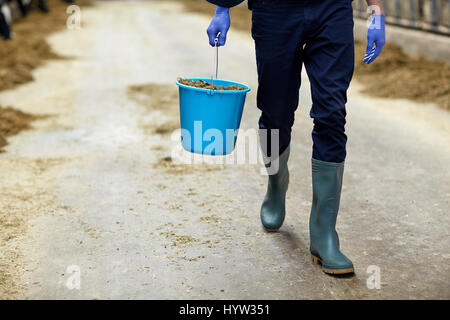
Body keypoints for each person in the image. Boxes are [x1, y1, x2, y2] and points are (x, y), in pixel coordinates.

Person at [206, 0, 386, 275]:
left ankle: (324, 235)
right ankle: (276, 182)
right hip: (274, 10)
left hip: (331, 9)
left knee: (332, 113)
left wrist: (376, 11)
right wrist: (222, 8)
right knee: (275, 112)